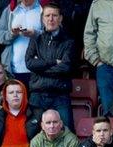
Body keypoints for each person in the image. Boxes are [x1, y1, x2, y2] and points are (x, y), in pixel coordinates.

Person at [25, 2, 76, 131]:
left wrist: (39, 67)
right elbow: (29, 63)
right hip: (38, 94)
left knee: (67, 132)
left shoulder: (69, 42)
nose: (51, 19)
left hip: (60, 94)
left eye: (54, 15)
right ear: (42, 19)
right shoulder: (35, 39)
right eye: (47, 15)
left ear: (60, 18)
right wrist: (53, 62)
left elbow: (65, 67)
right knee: (32, 132)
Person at [0, 0, 43, 85]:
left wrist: (35, 34)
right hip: (14, 69)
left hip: (38, 70)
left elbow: (54, 35)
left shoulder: (42, 10)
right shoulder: (10, 10)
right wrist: (12, 34)